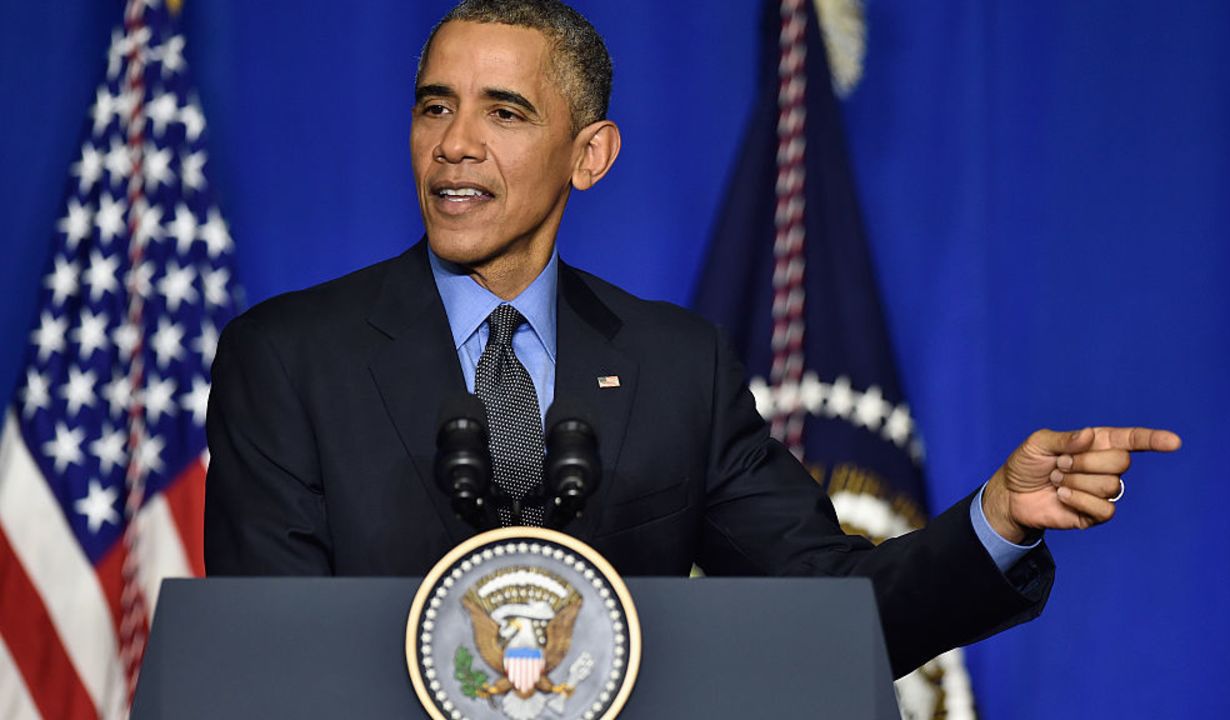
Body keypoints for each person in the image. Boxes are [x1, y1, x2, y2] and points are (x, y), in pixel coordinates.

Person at [203, 0, 1180, 678]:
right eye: (433, 107)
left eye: (504, 113)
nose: (454, 144)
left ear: (589, 157)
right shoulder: (288, 357)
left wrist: (996, 521)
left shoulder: (677, 369)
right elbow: (272, 658)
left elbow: (830, 610)